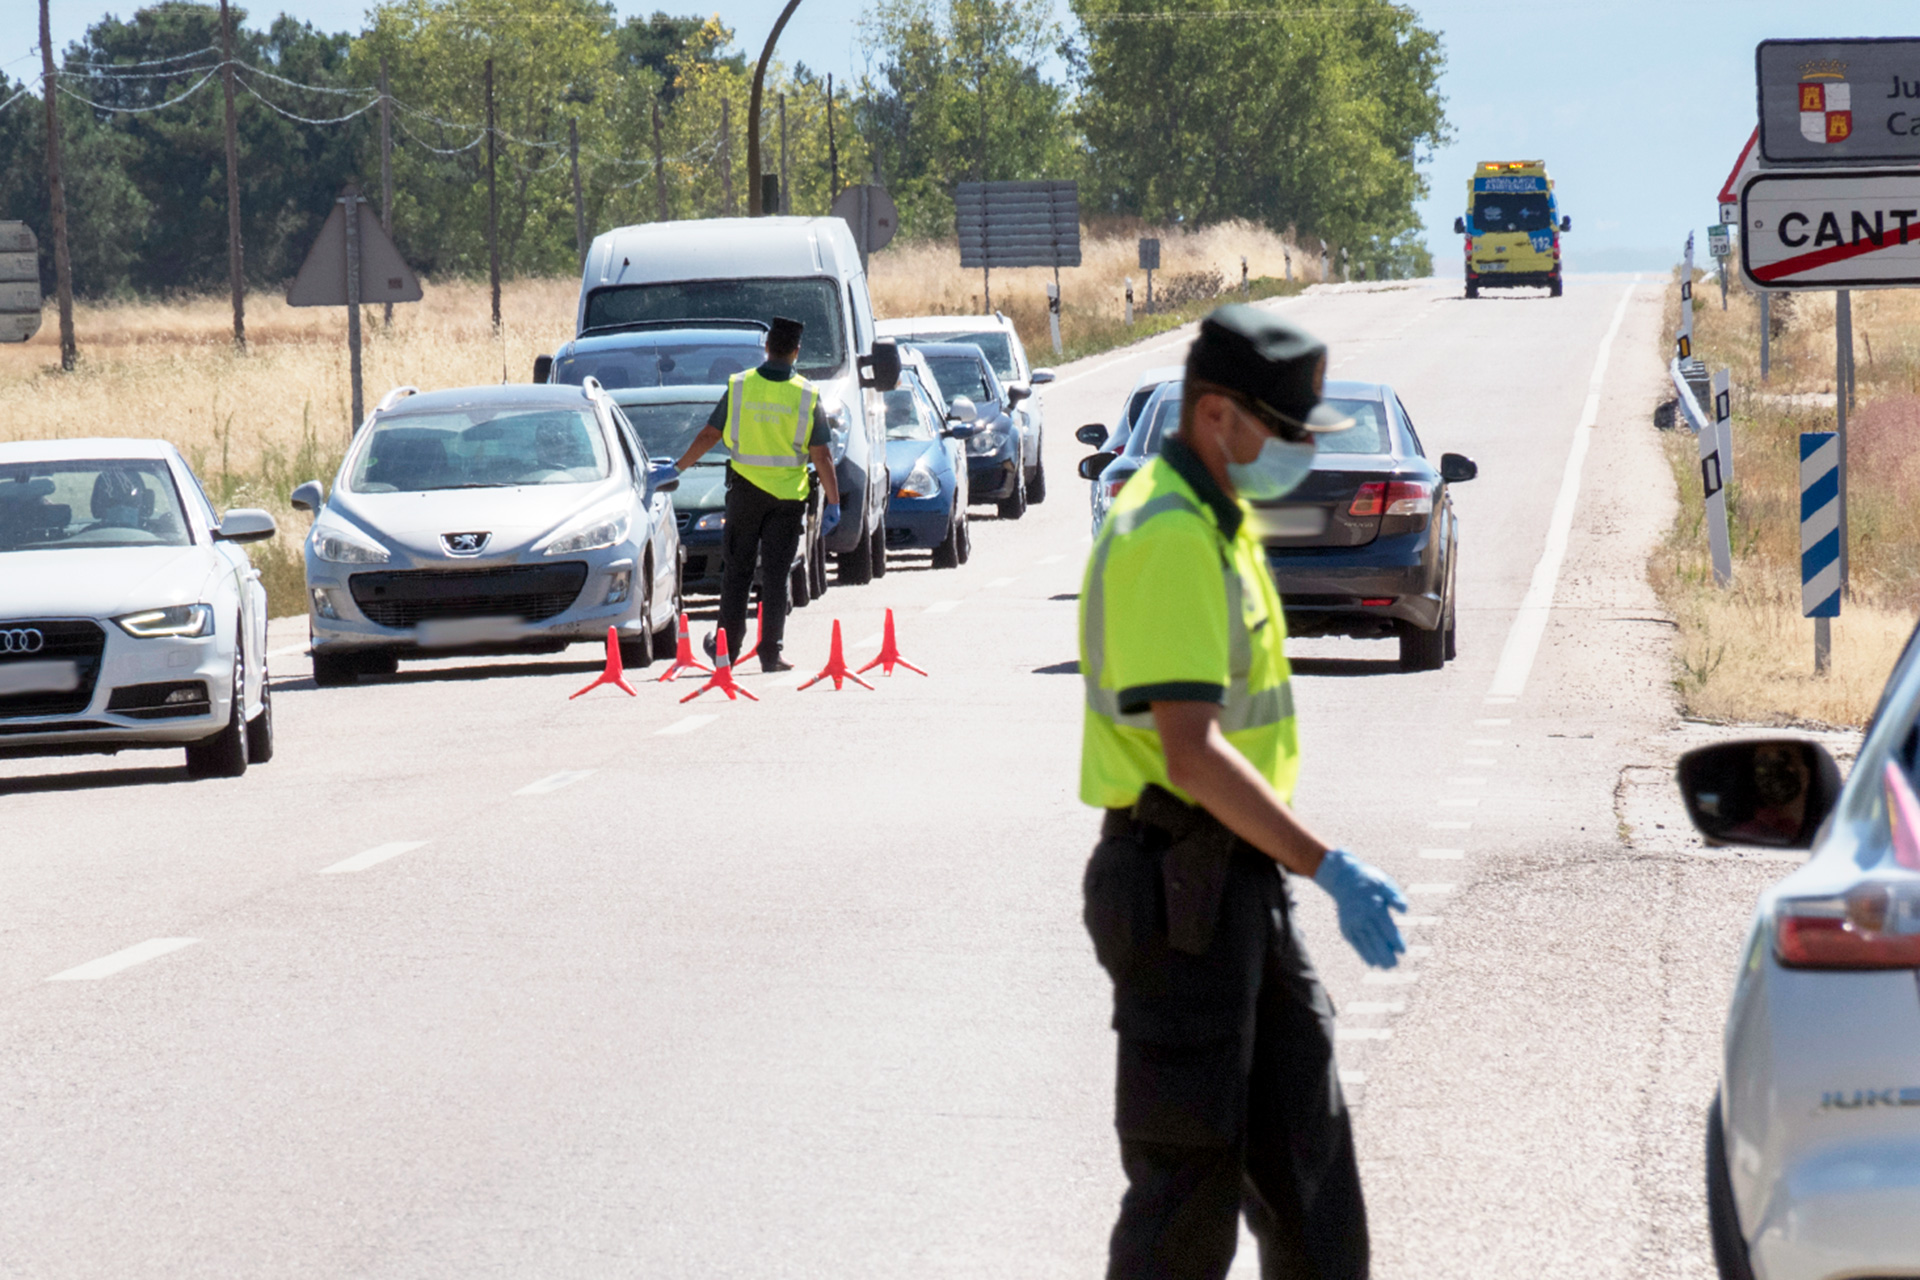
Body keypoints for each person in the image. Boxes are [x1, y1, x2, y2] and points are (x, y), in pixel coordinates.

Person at [1079, 305, 1409, 1280]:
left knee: (1315, 1199)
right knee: (1184, 1217)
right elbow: (1189, 751)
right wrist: (1328, 863)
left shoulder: (1220, 520)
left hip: (1234, 883)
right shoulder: (1168, 532)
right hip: (1177, 891)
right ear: (1217, 414)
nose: (1298, 454)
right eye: (1285, 431)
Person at [673, 316, 842, 672]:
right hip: (787, 499)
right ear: (796, 353)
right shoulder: (808, 394)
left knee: (737, 572)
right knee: (778, 576)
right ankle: (770, 653)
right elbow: (822, 455)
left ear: (766, 348)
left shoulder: (739, 385)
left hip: (745, 495)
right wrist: (834, 500)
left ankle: (726, 651)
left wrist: (678, 468)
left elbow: (708, 435)